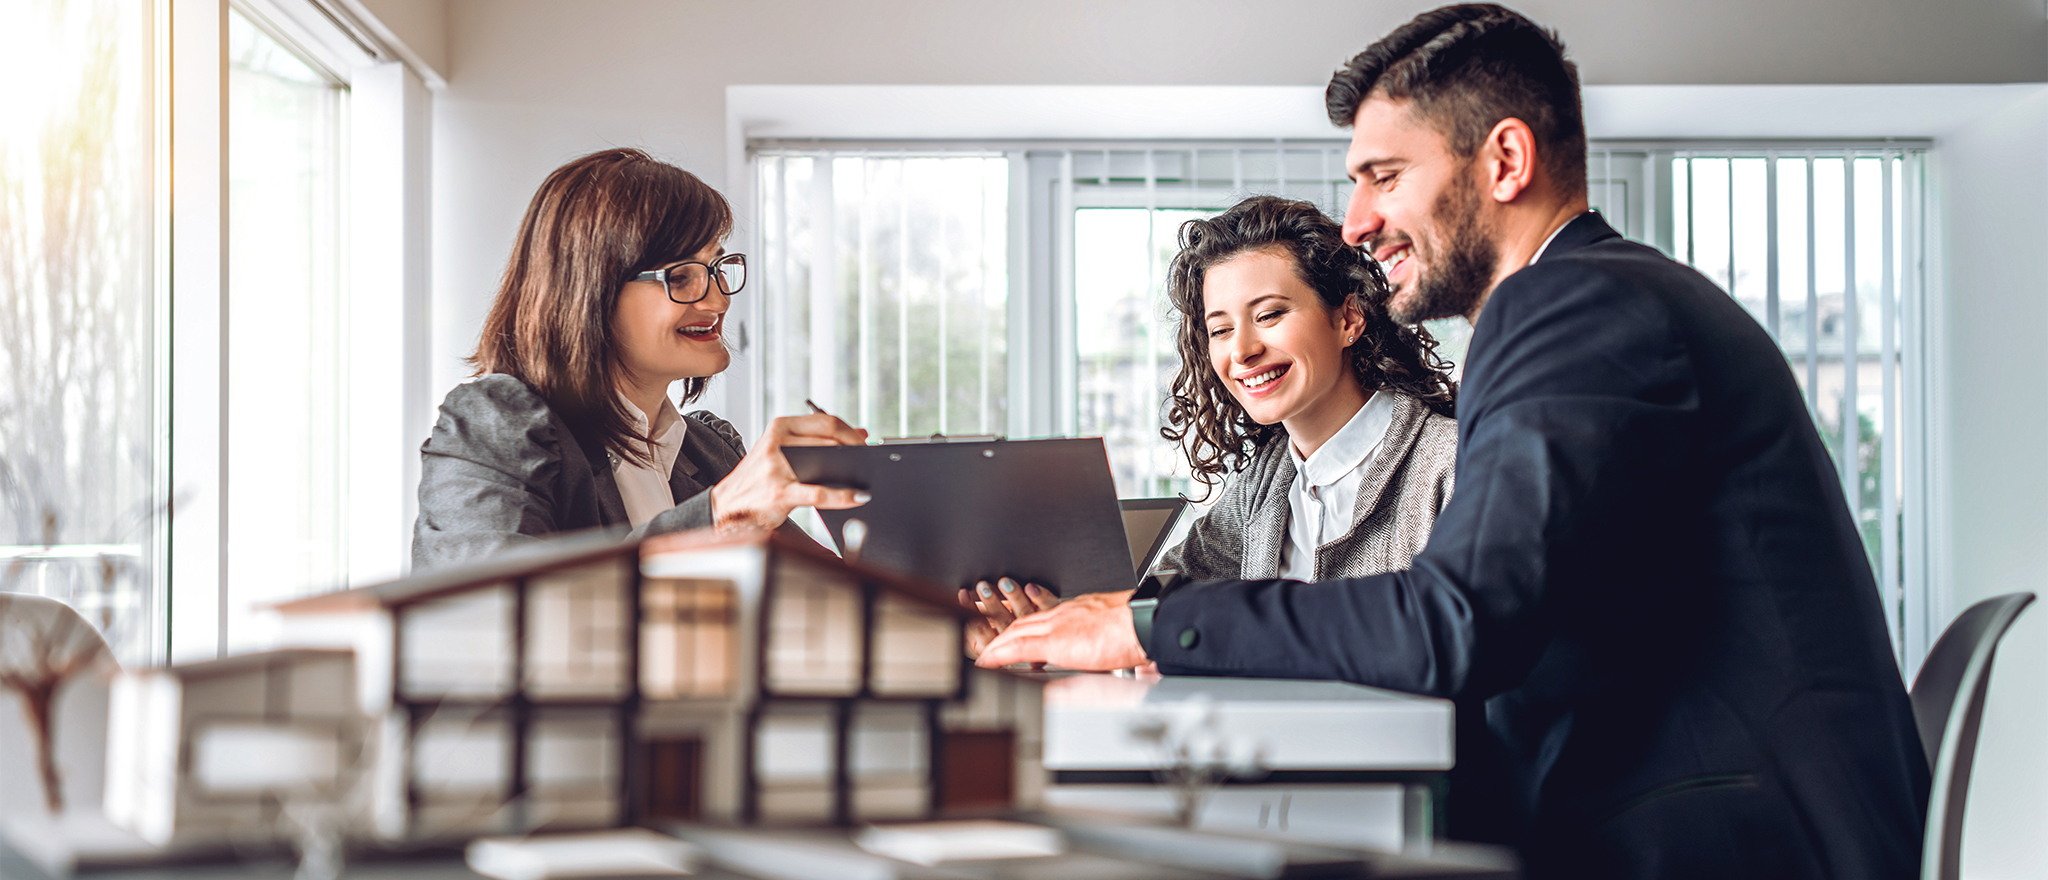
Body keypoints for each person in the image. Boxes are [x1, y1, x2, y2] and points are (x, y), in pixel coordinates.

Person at [976, 6, 1929, 878]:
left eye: (1385, 177)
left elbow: (1457, 622)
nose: (1357, 222)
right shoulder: (1606, 298)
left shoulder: (1570, 307)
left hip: (1721, 838)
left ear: (1505, 162)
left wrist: (1143, 626)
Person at [963, 196, 1460, 646]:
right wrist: (1052, 619)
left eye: (1269, 315)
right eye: (1220, 329)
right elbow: (1165, 600)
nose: (1242, 350)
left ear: (1348, 319)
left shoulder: (1448, 461)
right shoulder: (1265, 484)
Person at [413, 148, 867, 570]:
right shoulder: (493, 426)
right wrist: (718, 514)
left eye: (715, 268)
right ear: (590, 290)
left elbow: (838, 595)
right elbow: (495, 614)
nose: (717, 301)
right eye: (681, 276)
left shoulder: (708, 453)